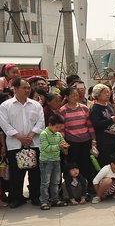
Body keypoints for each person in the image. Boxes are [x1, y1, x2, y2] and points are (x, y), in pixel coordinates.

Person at [0, 77, 44, 207]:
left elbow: (41, 122)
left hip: (34, 143)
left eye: (28, 88)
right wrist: (20, 137)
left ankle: (35, 196)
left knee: (35, 172)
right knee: (16, 173)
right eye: (24, 88)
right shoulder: (5, 106)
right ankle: (16, 198)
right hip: (15, 144)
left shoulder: (36, 105)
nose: (27, 90)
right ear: (15, 88)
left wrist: (30, 136)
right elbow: (4, 124)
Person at [59, 86, 96, 191]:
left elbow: (90, 126)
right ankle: (73, 189)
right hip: (72, 142)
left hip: (86, 140)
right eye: (72, 95)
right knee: (73, 166)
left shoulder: (84, 108)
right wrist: (63, 145)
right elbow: (62, 129)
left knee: (86, 164)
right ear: (66, 97)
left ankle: (87, 187)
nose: (76, 97)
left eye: (76, 95)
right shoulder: (63, 110)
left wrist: (93, 140)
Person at [38, 114, 68, 209]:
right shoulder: (44, 134)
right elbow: (45, 148)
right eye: (57, 127)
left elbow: (63, 143)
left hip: (56, 160)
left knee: (55, 181)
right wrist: (59, 146)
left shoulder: (58, 134)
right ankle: (44, 201)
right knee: (45, 182)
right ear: (50, 124)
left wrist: (65, 147)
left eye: (60, 128)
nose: (58, 129)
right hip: (46, 161)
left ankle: (55, 199)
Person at [89, 84, 115, 168]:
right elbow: (96, 124)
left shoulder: (109, 105)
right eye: (104, 92)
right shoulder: (95, 108)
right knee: (106, 164)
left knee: (114, 162)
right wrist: (110, 120)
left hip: (114, 138)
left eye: (108, 92)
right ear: (98, 94)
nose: (108, 94)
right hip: (104, 140)